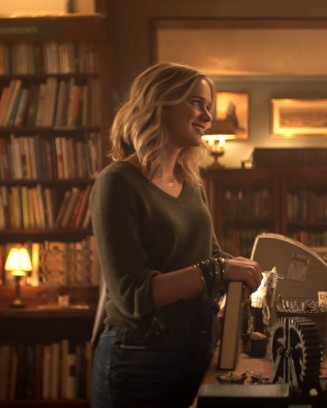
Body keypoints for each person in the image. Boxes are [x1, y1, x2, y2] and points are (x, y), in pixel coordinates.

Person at [90, 62, 263, 408]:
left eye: (208, 106)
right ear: (160, 103)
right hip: (140, 358)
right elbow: (133, 295)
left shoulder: (191, 184)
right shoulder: (117, 182)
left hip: (196, 349)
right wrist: (219, 270)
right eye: (197, 103)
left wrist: (246, 270)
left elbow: (211, 257)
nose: (207, 118)